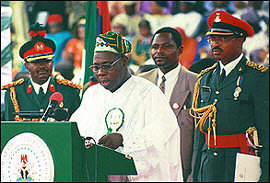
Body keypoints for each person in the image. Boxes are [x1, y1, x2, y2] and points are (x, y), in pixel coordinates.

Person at [69, 31, 183, 181]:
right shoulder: (92, 94)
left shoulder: (148, 93)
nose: (101, 72)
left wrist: (124, 140)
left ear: (124, 61)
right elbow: (77, 132)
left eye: (107, 66)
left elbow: (161, 138)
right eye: (96, 68)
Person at [189, 10, 269, 182]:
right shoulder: (205, 78)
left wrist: (265, 175)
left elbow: (266, 131)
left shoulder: (257, 77)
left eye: (222, 39)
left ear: (240, 40)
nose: (215, 44)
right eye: (212, 39)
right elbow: (199, 136)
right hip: (209, 166)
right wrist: (195, 174)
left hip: (240, 165)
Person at [137, 27, 197, 182]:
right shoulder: (140, 82)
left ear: (180, 49)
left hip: (180, 170)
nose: (159, 52)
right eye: (155, 47)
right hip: (147, 170)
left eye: (167, 46)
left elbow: (200, 140)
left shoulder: (196, 83)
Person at [1, 23, 82, 121]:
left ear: (52, 63)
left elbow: (76, 129)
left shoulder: (69, 91)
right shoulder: (14, 93)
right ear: (26, 66)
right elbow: (9, 131)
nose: (42, 66)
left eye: (46, 61)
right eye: (36, 62)